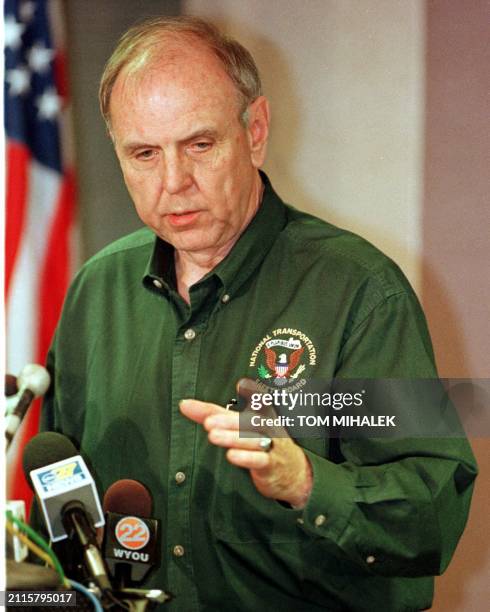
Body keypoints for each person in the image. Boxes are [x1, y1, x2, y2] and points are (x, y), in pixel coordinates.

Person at [40, 16, 477, 611]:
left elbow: (434, 513)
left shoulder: (363, 291)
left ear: (256, 131)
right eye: (144, 153)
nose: (174, 181)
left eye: (200, 144)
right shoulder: (97, 291)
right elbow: (64, 500)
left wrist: (306, 483)